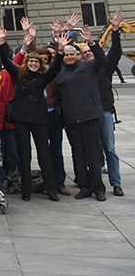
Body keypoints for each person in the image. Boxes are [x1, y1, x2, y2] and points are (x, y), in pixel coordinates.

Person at [0, 26, 62, 201]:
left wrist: (60, 48)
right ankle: (25, 190)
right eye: (31, 62)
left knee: (44, 154)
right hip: (21, 118)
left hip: (39, 118)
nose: (33, 64)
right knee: (24, 155)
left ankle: (51, 190)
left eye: (36, 62)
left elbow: (56, 67)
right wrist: (2, 42)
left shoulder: (44, 77)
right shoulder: (19, 74)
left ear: (40, 64)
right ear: (27, 63)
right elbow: (5, 60)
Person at [56, 22, 108, 200]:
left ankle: (98, 188)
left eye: (72, 54)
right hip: (71, 121)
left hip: (89, 117)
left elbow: (102, 61)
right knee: (78, 155)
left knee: (93, 156)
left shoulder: (88, 66)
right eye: (67, 55)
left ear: (78, 55)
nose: (69, 57)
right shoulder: (60, 74)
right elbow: (58, 99)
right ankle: (85, 187)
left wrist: (92, 42)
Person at [91, 11, 125, 197]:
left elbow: (115, 52)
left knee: (109, 148)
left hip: (104, 112)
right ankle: (95, 183)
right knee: (93, 150)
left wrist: (115, 30)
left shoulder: (105, 69)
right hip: (88, 114)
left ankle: (116, 183)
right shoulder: (83, 69)